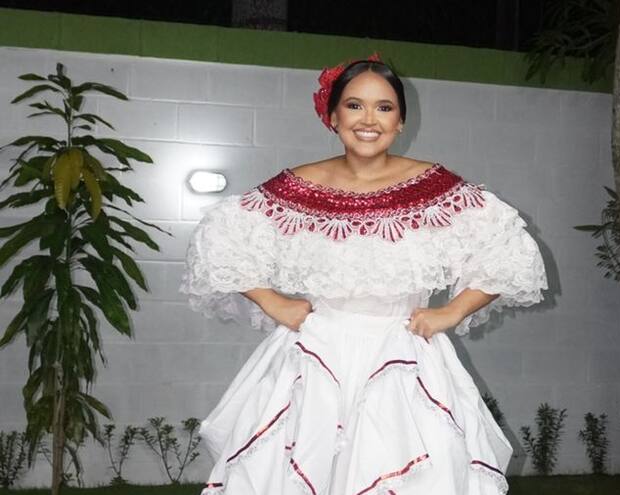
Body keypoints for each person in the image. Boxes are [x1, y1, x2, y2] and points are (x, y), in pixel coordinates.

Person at [180, 54, 548, 495]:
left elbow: (509, 253)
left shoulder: (437, 187)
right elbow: (219, 236)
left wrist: (449, 312)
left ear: (401, 121)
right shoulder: (297, 185)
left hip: (404, 362)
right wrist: (272, 301)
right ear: (332, 115)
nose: (369, 119)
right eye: (355, 105)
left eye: (384, 107)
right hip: (313, 361)